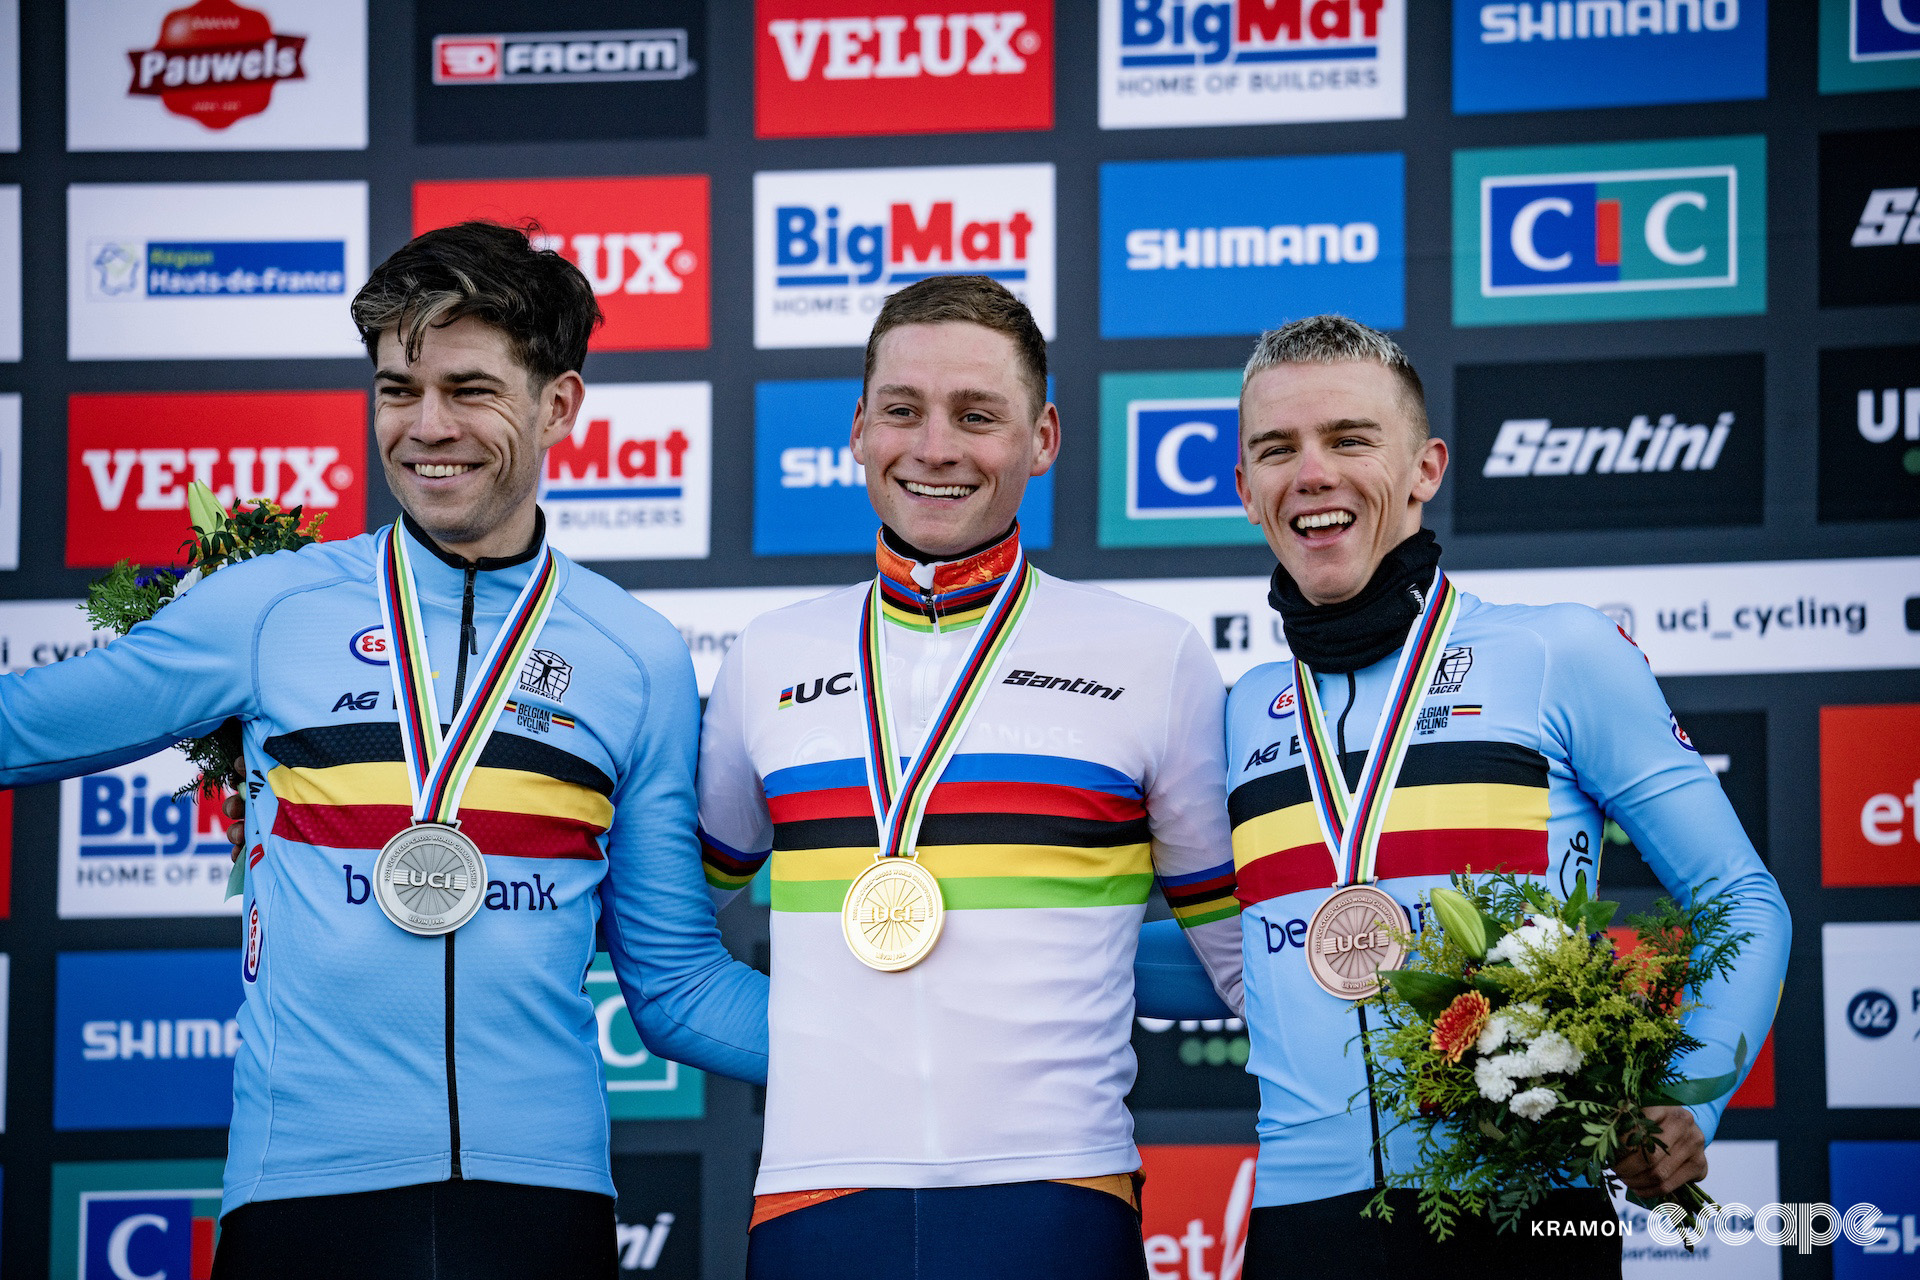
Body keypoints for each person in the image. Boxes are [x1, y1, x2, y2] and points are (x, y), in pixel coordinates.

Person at [0, 222, 768, 1278]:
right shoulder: (271, 609)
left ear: (559, 406)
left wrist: (936, 1050)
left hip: (542, 1206)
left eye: (469, 388)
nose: (426, 426)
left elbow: (676, 985)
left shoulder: (634, 655)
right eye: (397, 388)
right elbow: (23, 725)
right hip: (304, 1197)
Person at [1147, 315, 1791, 1277]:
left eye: (1350, 439)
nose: (1312, 472)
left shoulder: (1557, 653)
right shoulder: (1241, 710)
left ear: (1425, 467)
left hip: (1525, 1210)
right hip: (1299, 1224)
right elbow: (1247, 962)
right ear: (1245, 490)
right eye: (1277, 450)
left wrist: (1688, 1097)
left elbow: (1740, 898)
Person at [693, 275, 1244, 1279]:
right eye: (903, 410)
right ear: (859, 429)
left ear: (1043, 439)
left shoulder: (1150, 656)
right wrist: (827, 1044)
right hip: (816, 1196)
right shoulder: (764, 657)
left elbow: (1244, 957)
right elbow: (670, 943)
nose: (935, 447)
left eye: (977, 415)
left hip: (1059, 1197)